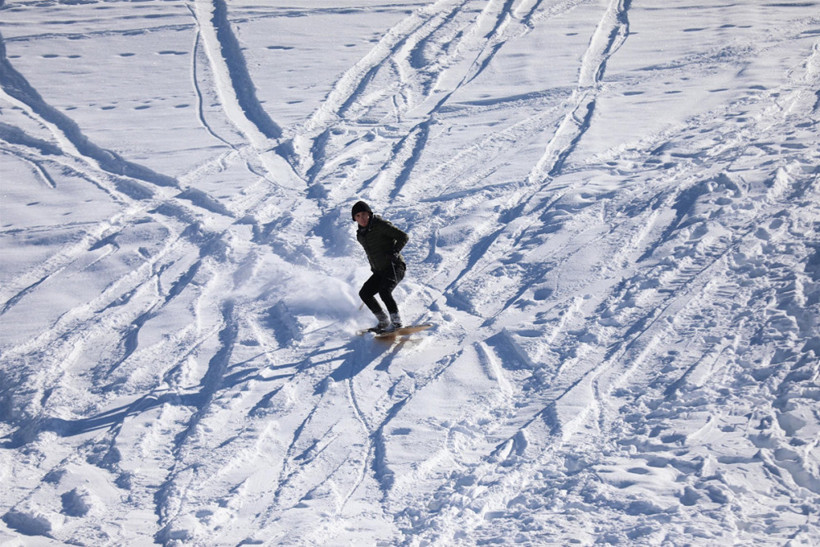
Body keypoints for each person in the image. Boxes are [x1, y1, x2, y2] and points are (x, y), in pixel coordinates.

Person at [351, 200, 408, 332]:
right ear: (354, 218)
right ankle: (383, 321)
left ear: (369, 214)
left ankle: (397, 322)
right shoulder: (360, 235)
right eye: (358, 216)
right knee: (365, 293)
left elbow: (403, 236)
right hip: (379, 271)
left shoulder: (380, 225)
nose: (362, 218)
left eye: (364, 214)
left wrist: (394, 251)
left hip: (395, 266)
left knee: (384, 292)